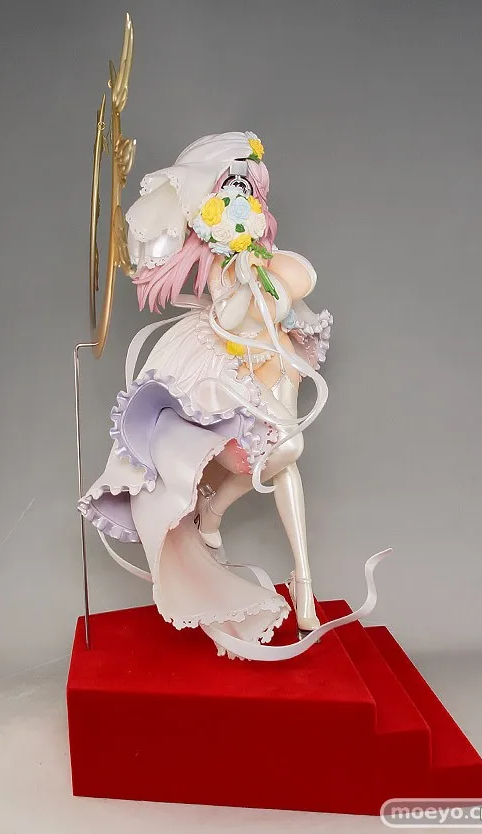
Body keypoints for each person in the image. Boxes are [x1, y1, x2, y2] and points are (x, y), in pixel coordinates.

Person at [79, 131, 339, 659]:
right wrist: (245, 279)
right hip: (232, 360)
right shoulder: (224, 263)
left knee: (285, 461)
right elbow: (229, 318)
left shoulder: (262, 255)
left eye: (249, 191)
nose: (245, 201)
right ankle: (214, 510)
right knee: (286, 448)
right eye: (231, 191)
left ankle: (304, 579)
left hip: (275, 353)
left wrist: (269, 282)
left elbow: (288, 295)